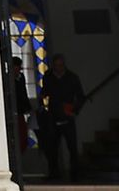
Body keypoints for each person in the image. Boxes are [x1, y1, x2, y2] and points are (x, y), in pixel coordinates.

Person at [37, 53, 84, 182]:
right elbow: (44, 92)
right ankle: (54, 173)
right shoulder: (49, 77)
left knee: (72, 146)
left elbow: (80, 97)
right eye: (56, 65)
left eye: (61, 65)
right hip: (53, 115)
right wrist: (42, 105)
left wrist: (74, 111)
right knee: (52, 147)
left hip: (67, 116)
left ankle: (75, 174)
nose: (59, 68)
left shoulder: (72, 78)